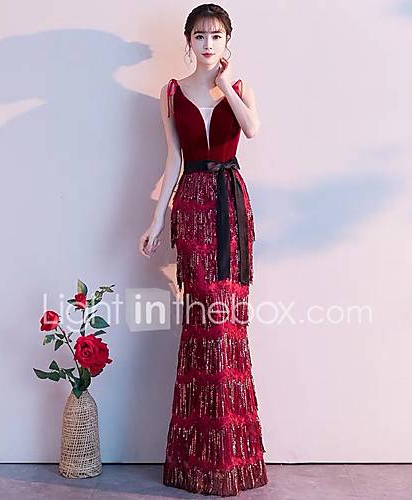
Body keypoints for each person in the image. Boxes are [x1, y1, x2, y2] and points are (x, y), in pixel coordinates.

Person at [139, 3, 268, 496]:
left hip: (231, 209)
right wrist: (157, 220)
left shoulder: (241, 88)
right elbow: (173, 160)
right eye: (199, 35)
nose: (208, 43)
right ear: (188, 41)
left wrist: (226, 84)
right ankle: (197, 461)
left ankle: (233, 460)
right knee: (203, 322)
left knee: (228, 324)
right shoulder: (171, 93)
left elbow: (251, 129)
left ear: (227, 41)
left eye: (216, 35)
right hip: (192, 206)